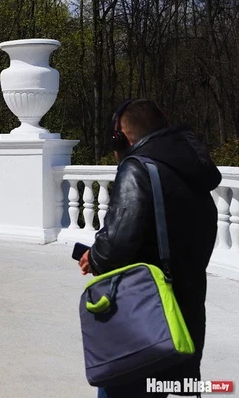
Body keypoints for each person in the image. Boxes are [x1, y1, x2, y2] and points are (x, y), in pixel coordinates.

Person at [77, 99, 221, 398]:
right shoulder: (191, 171)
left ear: (121, 138)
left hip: (143, 317)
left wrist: (96, 256)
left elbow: (116, 245)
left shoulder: (137, 169)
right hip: (186, 311)